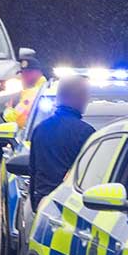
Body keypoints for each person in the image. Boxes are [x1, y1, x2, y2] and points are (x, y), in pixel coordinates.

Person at [29, 74, 94, 210]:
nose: (87, 100)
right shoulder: (85, 133)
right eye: (86, 95)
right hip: (71, 206)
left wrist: (35, 205)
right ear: (78, 97)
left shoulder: (40, 129)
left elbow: (33, 171)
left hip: (43, 204)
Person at [4, 50, 48, 127]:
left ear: (38, 73)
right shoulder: (46, 87)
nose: (24, 76)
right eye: (22, 73)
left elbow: (16, 119)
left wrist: (8, 109)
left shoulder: (32, 93)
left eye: (29, 72)